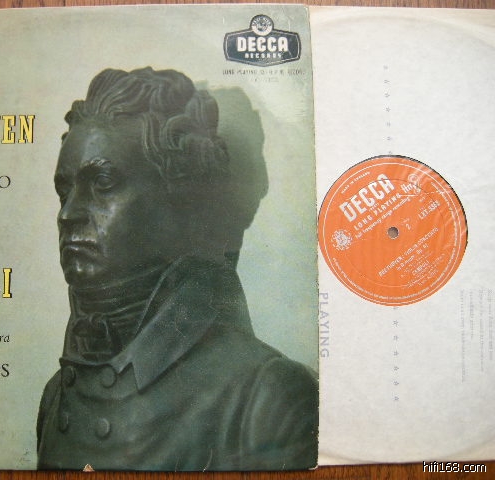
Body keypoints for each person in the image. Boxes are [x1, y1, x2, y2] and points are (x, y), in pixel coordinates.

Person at [37, 67, 317, 471]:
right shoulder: (57, 397)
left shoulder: (266, 397)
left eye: (104, 182)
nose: (68, 214)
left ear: (180, 197)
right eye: (64, 190)